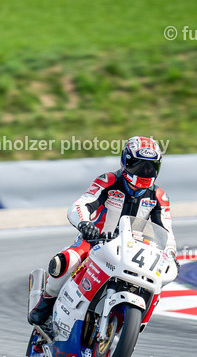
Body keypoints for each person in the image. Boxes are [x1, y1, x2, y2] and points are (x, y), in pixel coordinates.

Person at [27, 136, 179, 326]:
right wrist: (84, 224)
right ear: (125, 161)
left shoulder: (159, 197)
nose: (144, 172)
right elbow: (81, 204)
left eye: (150, 167)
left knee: (159, 278)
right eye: (138, 165)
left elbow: (166, 230)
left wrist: (171, 254)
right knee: (65, 261)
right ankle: (46, 301)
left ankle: (136, 322)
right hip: (95, 241)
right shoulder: (108, 181)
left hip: (132, 250)